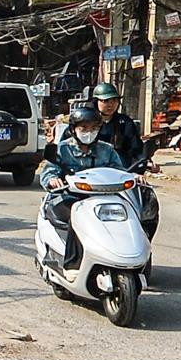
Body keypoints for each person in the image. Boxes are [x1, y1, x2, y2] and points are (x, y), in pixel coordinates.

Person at [38, 100, 129, 265]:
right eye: (84, 128)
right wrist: (53, 180)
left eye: (94, 128)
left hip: (101, 199)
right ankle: (72, 261)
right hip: (70, 198)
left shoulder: (107, 150)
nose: (89, 132)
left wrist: (133, 177)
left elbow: (119, 172)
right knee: (75, 216)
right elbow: (48, 172)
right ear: (73, 129)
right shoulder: (62, 149)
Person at [91, 82, 151, 168]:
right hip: (92, 169)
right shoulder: (88, 122)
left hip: (120, 169)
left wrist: (145, 162)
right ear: (96, 102)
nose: (110, 105)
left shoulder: (125, 122)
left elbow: (136, 148)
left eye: (114, 100)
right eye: (105, 101)